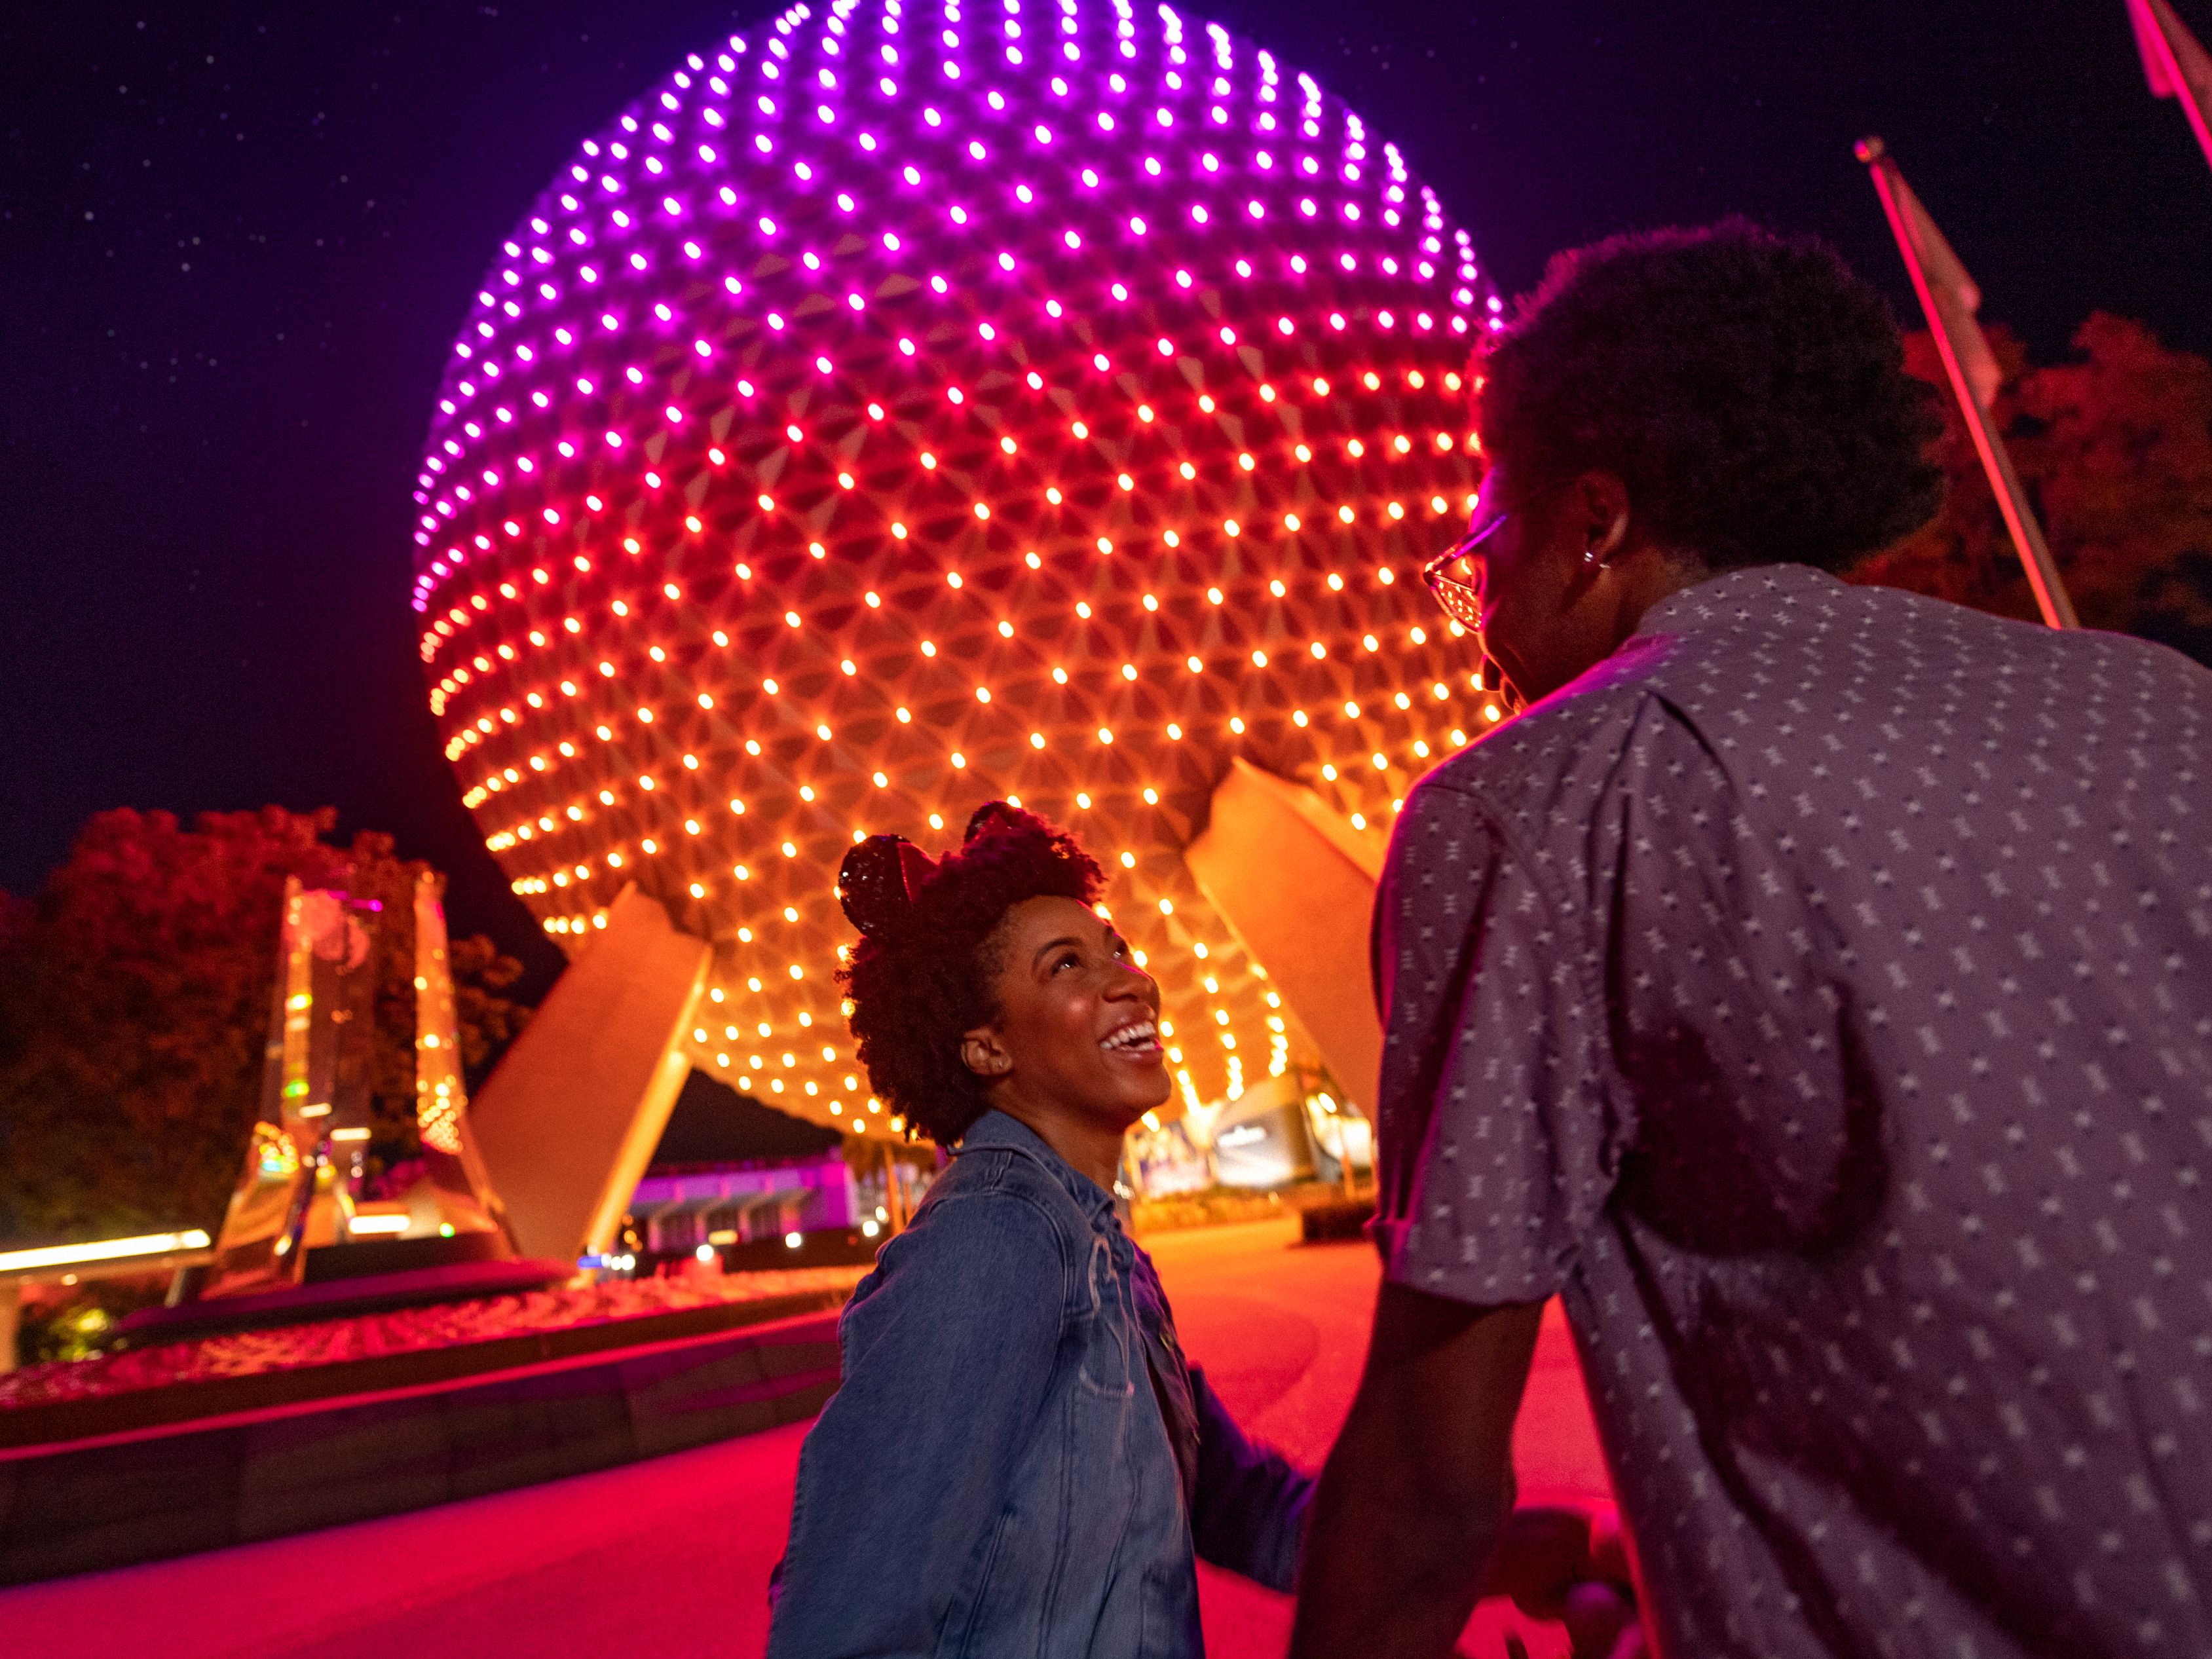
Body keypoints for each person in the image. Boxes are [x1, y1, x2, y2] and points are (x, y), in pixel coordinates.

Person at [1291, 220, 2212, 1659]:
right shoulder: (2162, 703)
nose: (1474, 608)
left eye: (1485, 547)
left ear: (1592, 521)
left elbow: (1428, 1474)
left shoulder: (1546, 801)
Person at [766, 802, 1311, 1656]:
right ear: (985, 1049)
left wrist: (1449, 1539)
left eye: (1116, 950)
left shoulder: (1096, 1244)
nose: (1131, 980)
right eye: (1067, 966)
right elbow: (846, 1617)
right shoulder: (993, 1235)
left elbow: (1230, 1498)